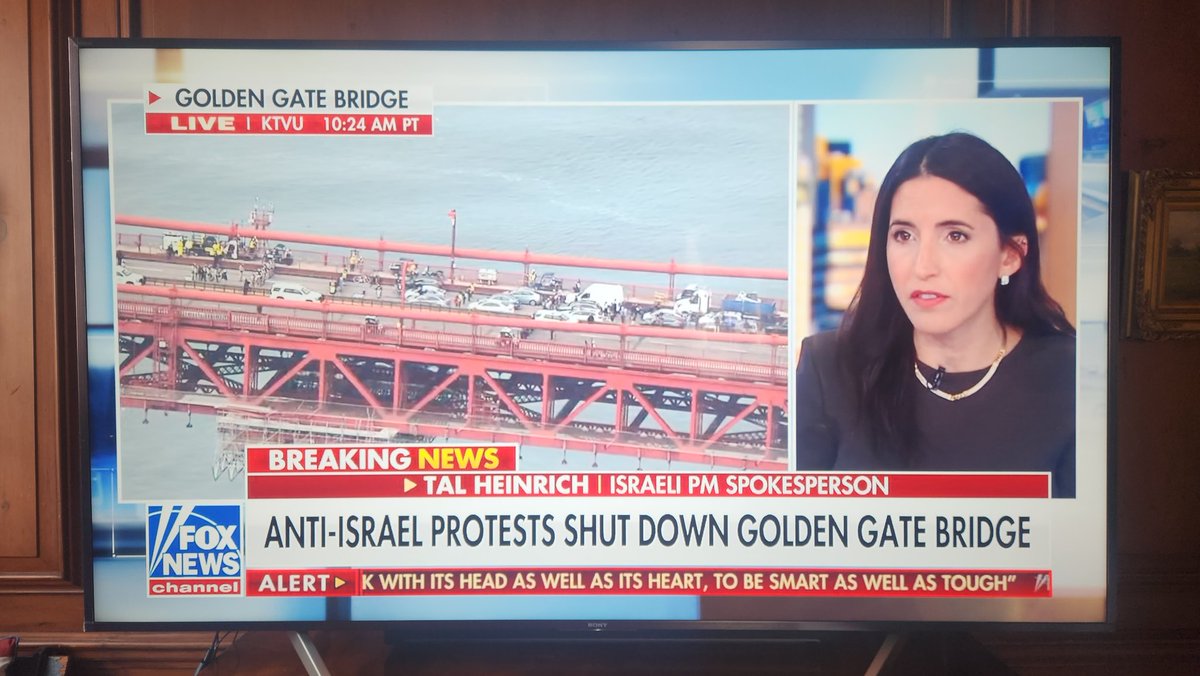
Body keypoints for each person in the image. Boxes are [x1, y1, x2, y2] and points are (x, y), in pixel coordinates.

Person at [794, 132, 1076, 497]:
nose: (922, 266)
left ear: (1010, 254)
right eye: (904, 236)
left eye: (955, 236)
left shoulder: (1071, 378)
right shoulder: (828, 368)